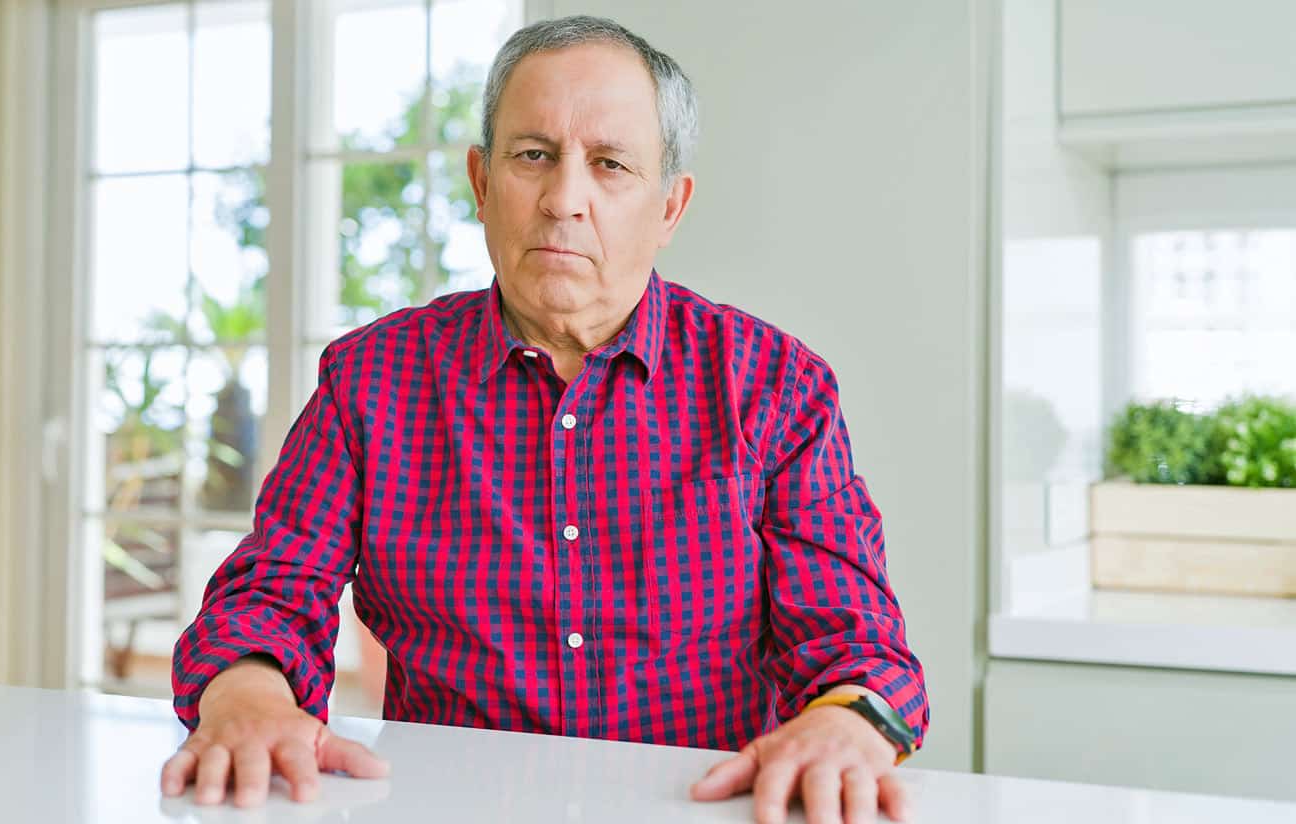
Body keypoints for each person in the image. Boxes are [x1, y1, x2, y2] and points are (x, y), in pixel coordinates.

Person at [161, 15, 929, 824]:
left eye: (610, 165)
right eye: (533, 156)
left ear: (671, 205)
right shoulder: (369, 382)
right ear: (482, 183)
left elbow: (855, 641)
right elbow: (271, 597)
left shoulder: (775, 385)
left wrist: (848, 724)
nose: (565, 200)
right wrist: (247, 695)